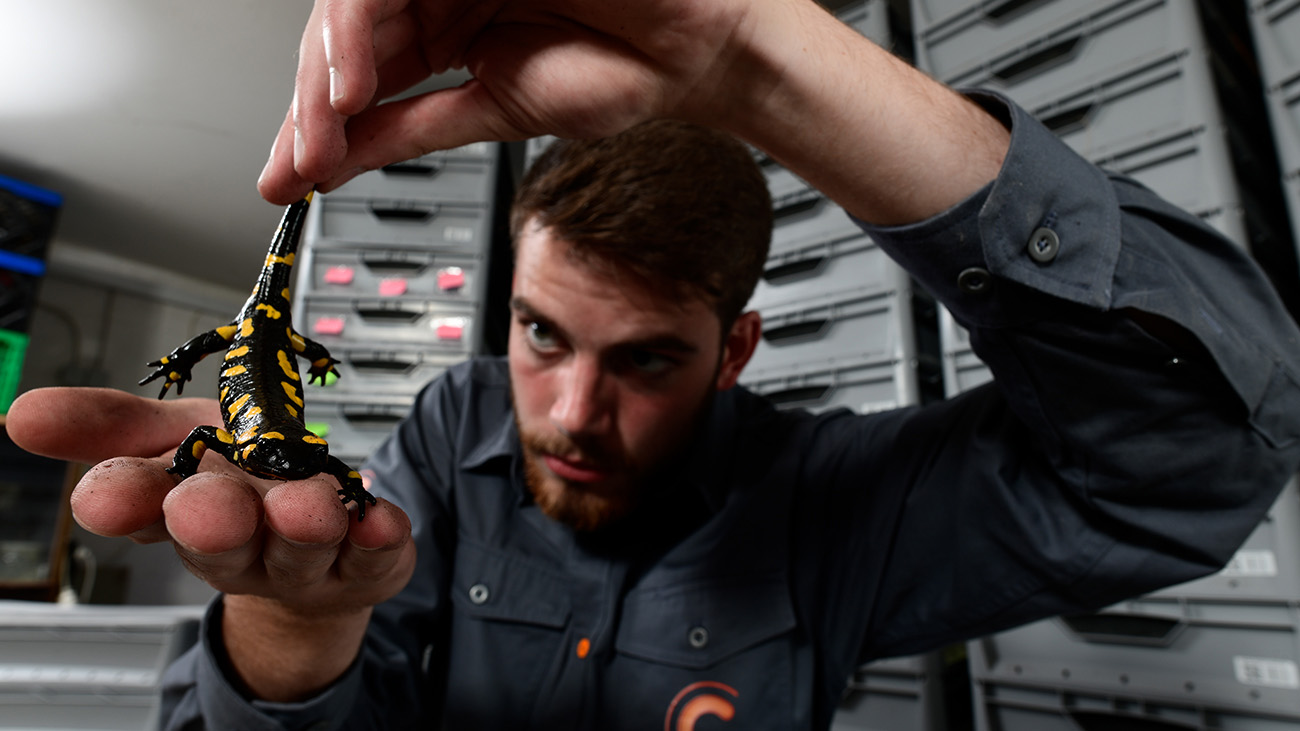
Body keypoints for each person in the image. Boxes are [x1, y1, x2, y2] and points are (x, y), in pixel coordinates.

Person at [9, 0, 1300, 727]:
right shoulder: (441, 453)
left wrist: (758, 53)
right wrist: (299, 613)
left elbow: (1191, 465)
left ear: (737, 347)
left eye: (649, 359)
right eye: (542, 335)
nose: (572, 411)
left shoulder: (833, 505)